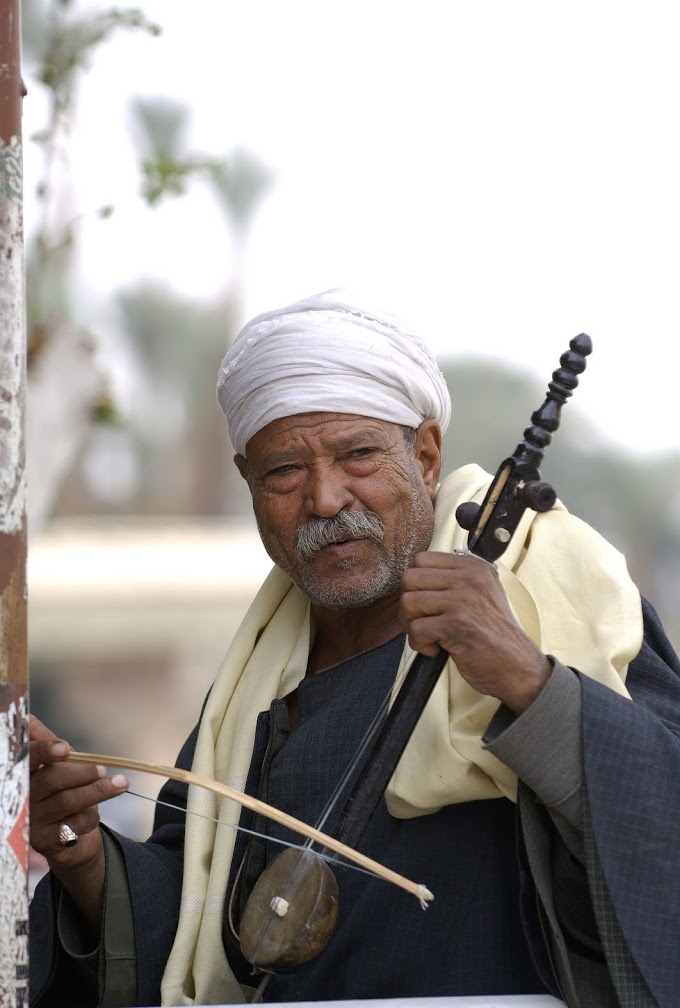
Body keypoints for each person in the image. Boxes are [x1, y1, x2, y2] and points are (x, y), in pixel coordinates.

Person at [29, 290, 680, 1008]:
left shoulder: (551, 598)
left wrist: (528, 678)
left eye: (359, 455)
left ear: (425, 456)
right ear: (248, 483)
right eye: (284, 472)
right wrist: (86, 858)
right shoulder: (251, 698)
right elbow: (193, 935)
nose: (327, 498)